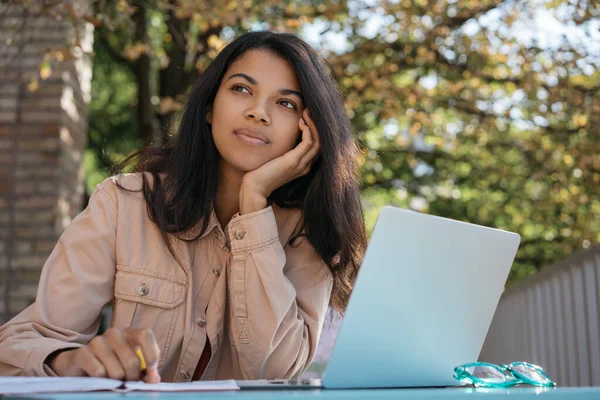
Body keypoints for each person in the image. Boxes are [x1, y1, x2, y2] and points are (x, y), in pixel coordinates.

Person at [0, 30, 367, 382]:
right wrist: (73, 360)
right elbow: (19, 346)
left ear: (308, 132)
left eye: (286, 103)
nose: (259, 112)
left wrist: (253, 203)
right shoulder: (123, 204)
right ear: (209, 108)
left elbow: (274, 371)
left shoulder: (308, 234)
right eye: (241, 89)